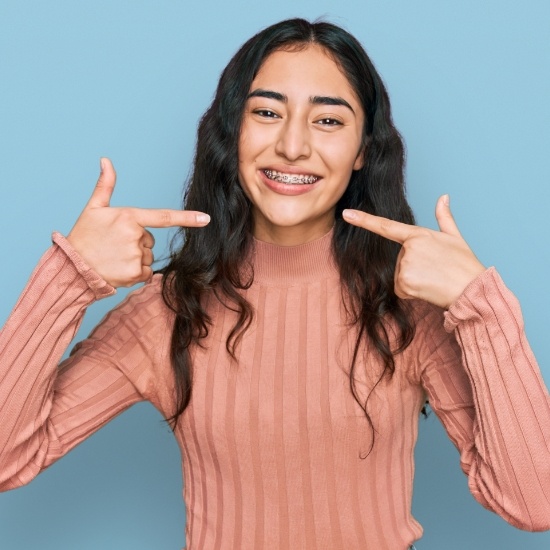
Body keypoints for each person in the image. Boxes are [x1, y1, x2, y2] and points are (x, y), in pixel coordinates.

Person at [0, 18, 549, 550]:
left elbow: (533, 503)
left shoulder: (408, 307)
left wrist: (482, 308)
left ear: (362, 150)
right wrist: (68, 278)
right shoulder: (170, 312)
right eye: (266, 112)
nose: (292, 146)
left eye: (328, 121)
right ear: (231, 132)